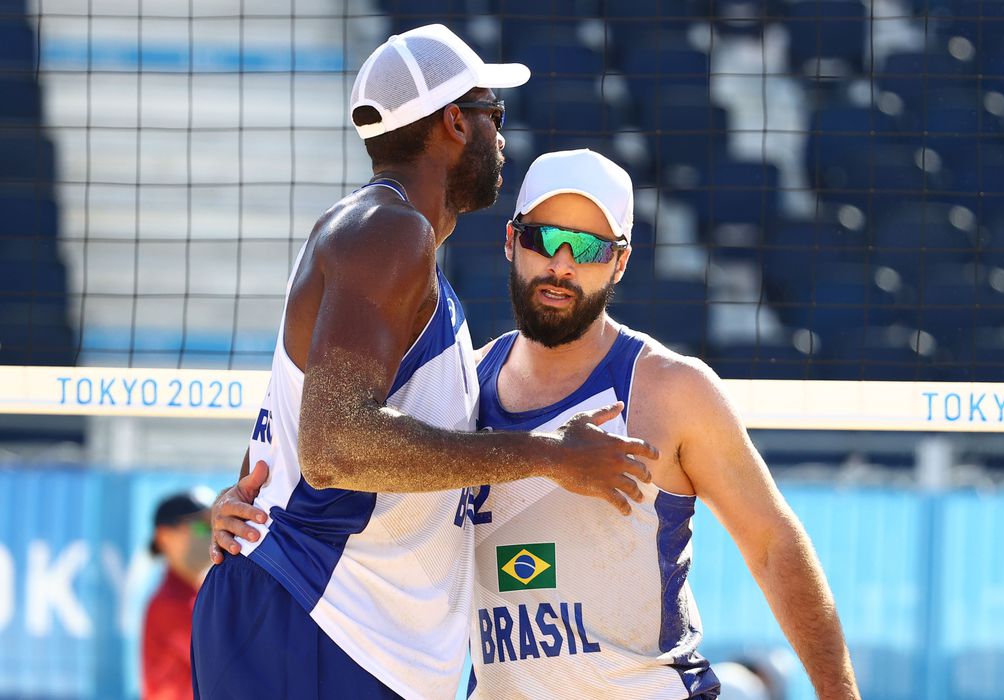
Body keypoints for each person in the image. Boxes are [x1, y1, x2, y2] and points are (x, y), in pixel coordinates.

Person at [213, 150, 861, 699]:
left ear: (621, 262)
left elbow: (775, 547)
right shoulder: (456, 385)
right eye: (544, 240)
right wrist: (241, 511)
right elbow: (342, 458)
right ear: (510, 241)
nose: (561, 264)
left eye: (587, 248)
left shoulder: (669, 389)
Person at [191, 26, 659, 700]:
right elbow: (334, 447)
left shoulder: (374, 236)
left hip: (344, 630)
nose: (502, 138)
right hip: (318, 618)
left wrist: (241, 500)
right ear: (453, 123)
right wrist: (549, 455)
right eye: (493, 115)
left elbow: (289, 445)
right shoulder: (389, 232)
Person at [143, 489, 213, 700]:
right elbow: (227, 659)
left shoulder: (201, 596)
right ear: (165, 536)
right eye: (202, 525)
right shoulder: (169, 604)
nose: (213, 531)